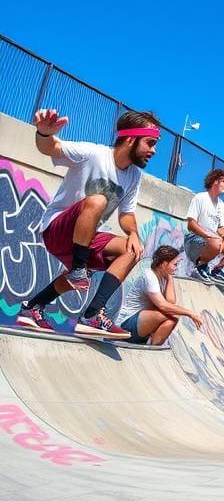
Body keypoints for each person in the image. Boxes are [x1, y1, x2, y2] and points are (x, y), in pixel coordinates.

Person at [16, 107, 159, 339]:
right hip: (56, 228)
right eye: (150, 143)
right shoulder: (93, 153)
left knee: (132, 250)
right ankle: (79, 269)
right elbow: (51, 147)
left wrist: (133, 233)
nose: (153, 151)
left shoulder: (134, 175)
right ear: (131, 139)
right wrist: (44, 133)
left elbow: (126, 213)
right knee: (97, 200)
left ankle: (54, 309)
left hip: (84, 237)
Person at [113, 246, 202, 345]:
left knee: (172, 318)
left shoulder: (164, 277)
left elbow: (171, 302)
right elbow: (163, 306)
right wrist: (190, 313)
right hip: (127, 324)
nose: (176, 268)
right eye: (175, 264)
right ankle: (151, 347)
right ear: (164, 264)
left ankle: (152, 348)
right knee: (169, 315)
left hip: (140, 327)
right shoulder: (149, 276)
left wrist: (169, 278)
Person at [184, 169, 224, 285]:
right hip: (194, 240)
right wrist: (209, 235)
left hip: (213, 242)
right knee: (216, 241)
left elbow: (221, 230)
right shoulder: (201, 197)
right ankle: (199, 267)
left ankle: (217, 270)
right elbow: (191, 225)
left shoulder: (221, 204)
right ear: (215, 181)